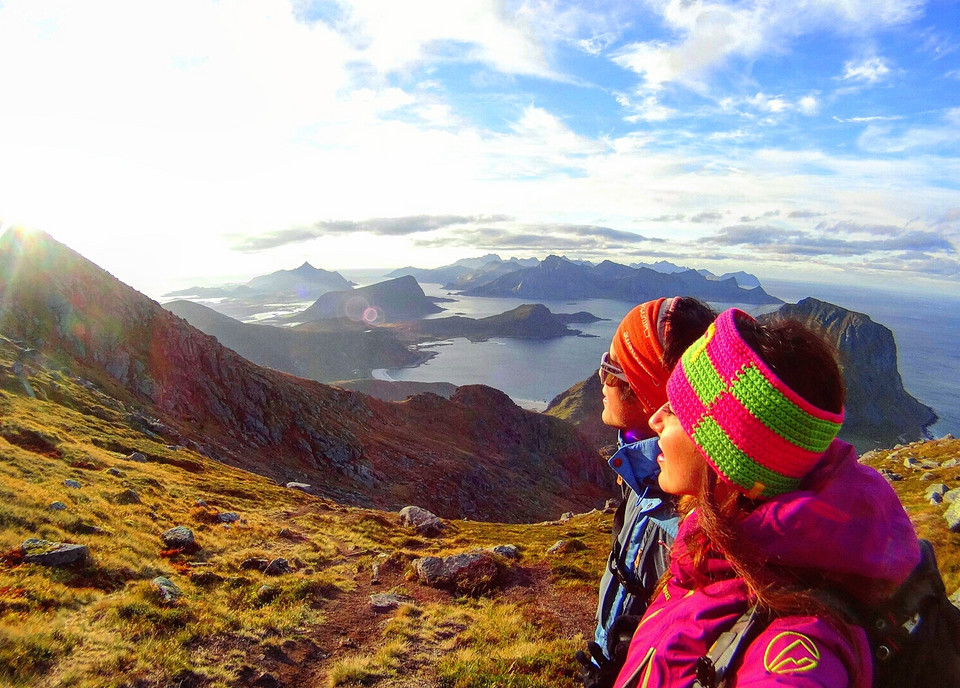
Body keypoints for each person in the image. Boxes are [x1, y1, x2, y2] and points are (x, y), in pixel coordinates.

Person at [612, 308, 920, 688]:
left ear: (728, 451)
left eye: (676, 408)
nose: (655, 419)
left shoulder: (798, 640)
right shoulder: (715, 544)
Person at [577, 297, 715, 688]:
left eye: (613, 368)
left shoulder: (691, 508)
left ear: (651, 390)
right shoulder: (641, 463)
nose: (601, 378)